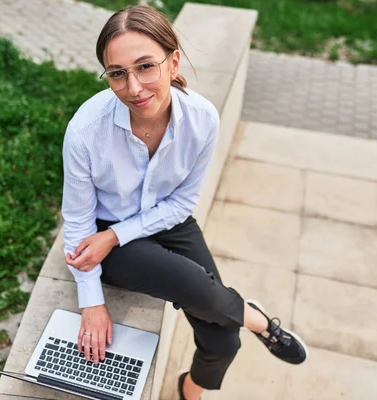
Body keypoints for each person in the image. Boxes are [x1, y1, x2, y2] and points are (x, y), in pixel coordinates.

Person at [61, 4, 307, 399]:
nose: (134, 88)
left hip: (167, 219)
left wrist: (121, 234)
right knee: (194, 282)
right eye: (117, 74)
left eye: (145, 66)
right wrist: (91, 301)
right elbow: (76, 223)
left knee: (225, 341)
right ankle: (256, 317)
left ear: (173, 61)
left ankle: (187, 391)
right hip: (102, 234)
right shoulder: (86, 131)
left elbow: (183, 202)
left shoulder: (203, 119)